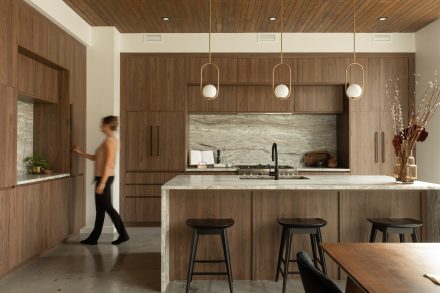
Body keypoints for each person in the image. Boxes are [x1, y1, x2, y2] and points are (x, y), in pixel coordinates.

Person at [72, 116, 129, 245]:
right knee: (101, 210)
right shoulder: (110, 140)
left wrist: (102, 183)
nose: (100, 127)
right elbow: (97, 158)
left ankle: (123, 235)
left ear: (108, 125)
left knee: (108, 208)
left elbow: (108, 164)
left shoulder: (110, 141)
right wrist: (80, 153)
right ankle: (94, 238)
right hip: (105, 177)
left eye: (102, 125)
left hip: (105, 178)